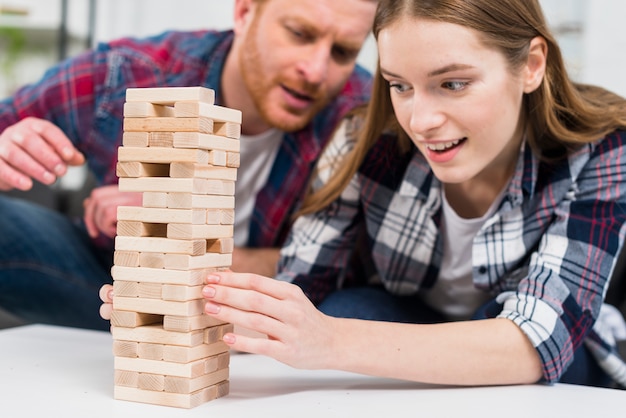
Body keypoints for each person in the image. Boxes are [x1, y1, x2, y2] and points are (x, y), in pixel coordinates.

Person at [181, 0, 626, 388]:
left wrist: (329, 340)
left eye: (452, 84)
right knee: (348, 306)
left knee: (501, 333)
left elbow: (538, 340)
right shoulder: (363, 139)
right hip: (410, 319)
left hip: (555, 351)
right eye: (400, 85)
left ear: (531, 65)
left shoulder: (600, 149)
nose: (420, 121)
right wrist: (171, 303)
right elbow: (299, 285)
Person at [0, 0, 377, 330]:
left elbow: (355, 266)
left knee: (362, 309)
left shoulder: (365, 114)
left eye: (343, 52)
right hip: (116, 292)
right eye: (299, 33)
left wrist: (168, 228)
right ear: (245, 12)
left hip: (273, 310)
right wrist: (7, 152)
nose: (315, 71)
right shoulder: (129, 75)